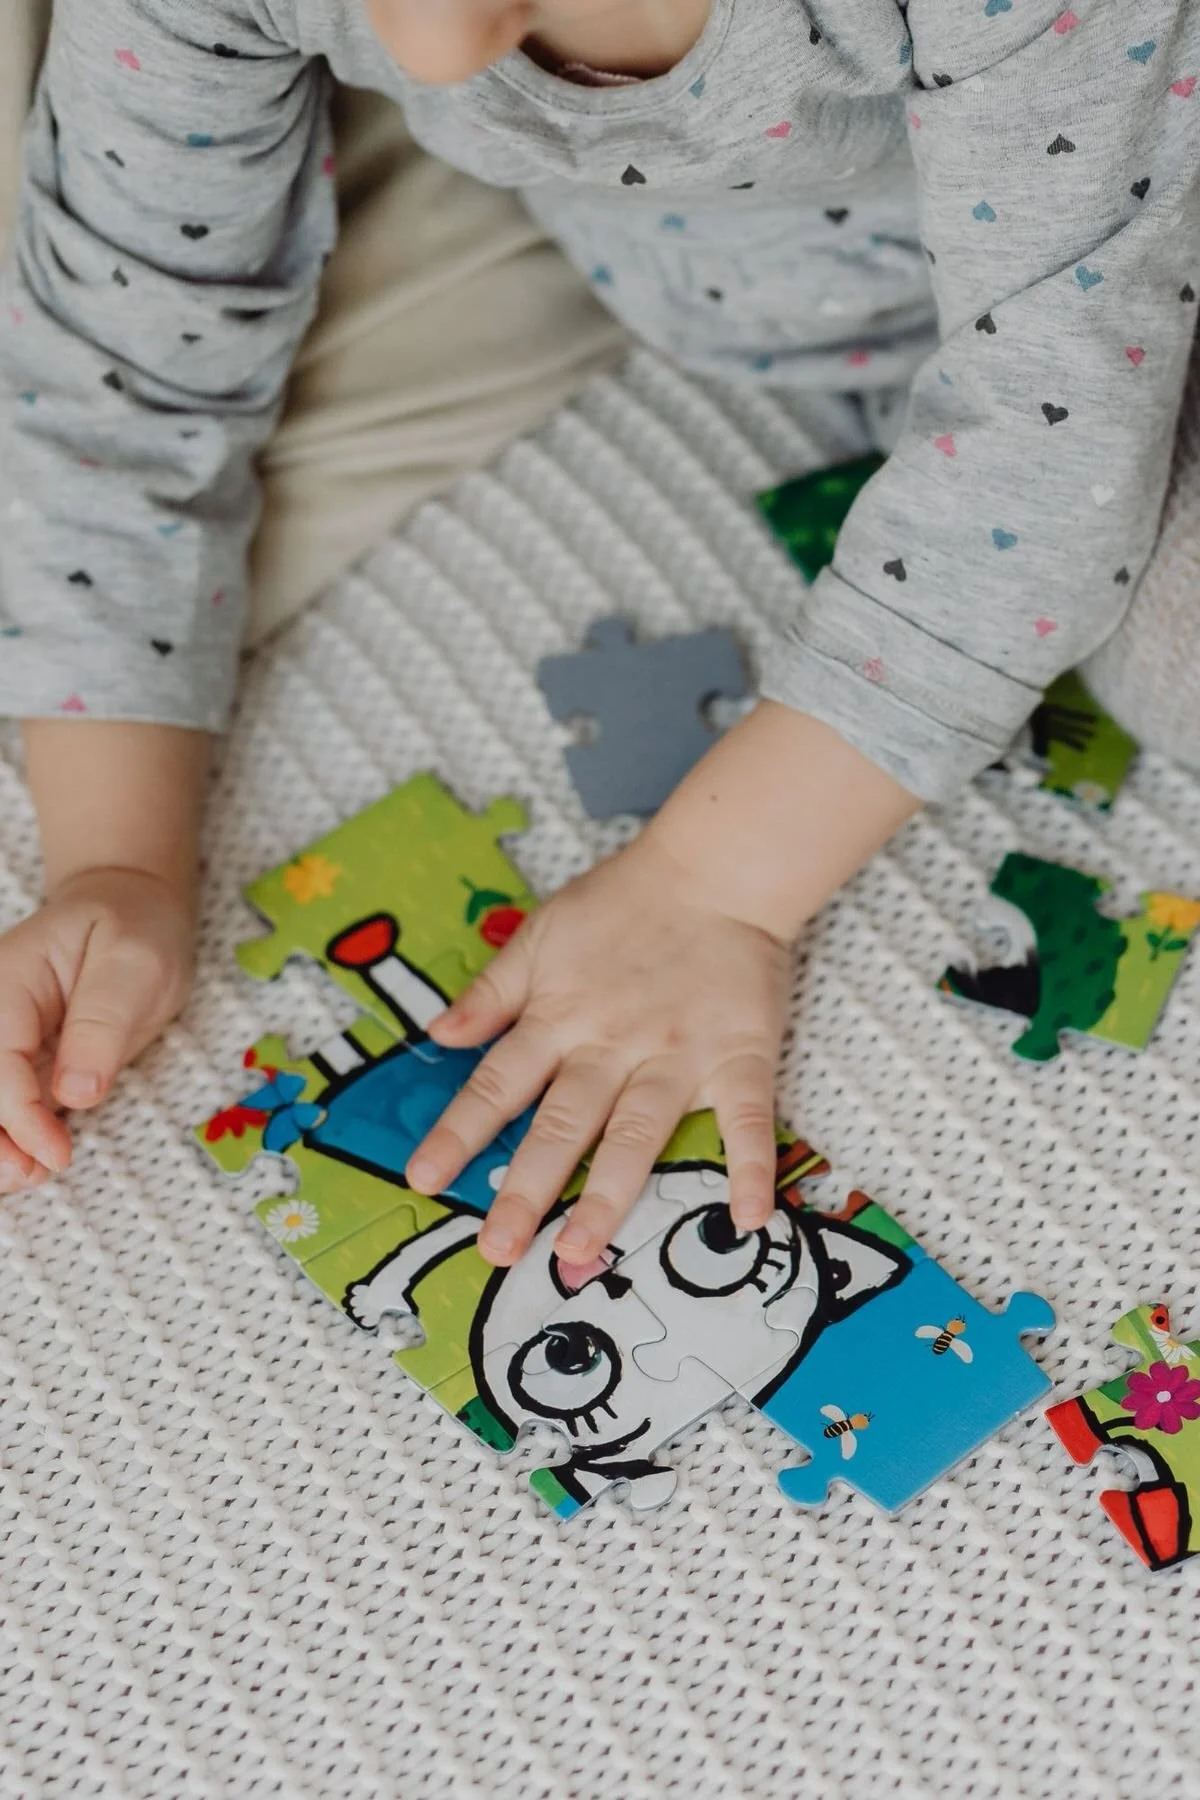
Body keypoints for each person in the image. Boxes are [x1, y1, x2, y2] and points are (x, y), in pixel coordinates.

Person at [1, 0, 1197, 1275]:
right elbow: (121, 376)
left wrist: (714, 884)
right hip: (931, 326)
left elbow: (1050, 453)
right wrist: (112, 867)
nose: (431, 60)